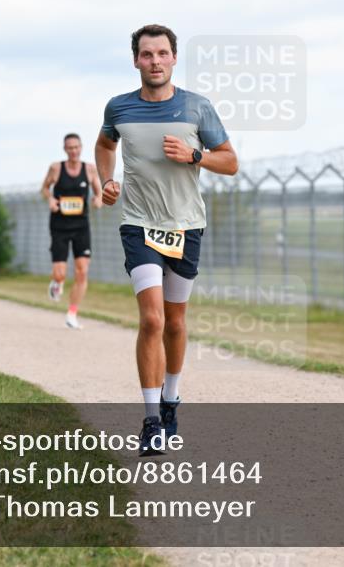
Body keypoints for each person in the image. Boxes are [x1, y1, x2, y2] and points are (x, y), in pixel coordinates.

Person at [95, 24, 238, 456]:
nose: (154, 61)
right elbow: (105, 145)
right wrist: (106, 180)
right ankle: (152, 420)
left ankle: (172, 400)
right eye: (146, 54)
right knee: (152, 320)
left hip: (186, 226)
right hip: (138, 224)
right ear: (135, 60)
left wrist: (195, 155)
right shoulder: (119, 108)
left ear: (174, 58)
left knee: (175, 322)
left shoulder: (198, 107)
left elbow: (230, 163)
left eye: (162, 53)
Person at [41, 133, 103, 329]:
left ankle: (72, 314)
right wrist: (50, 199)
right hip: (59, 225)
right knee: (60, 273)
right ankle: (57, 283)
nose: (74, 151)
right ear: (64, 149)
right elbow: (44, 188)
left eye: (76, 147)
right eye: (70, 148)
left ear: (81, 147)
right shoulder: (56, 168)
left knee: (82, 271)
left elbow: (99, 192)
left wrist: (98, 200)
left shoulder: (90, 169)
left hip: (81, 226)